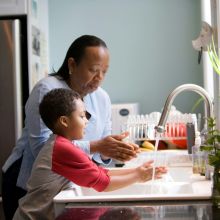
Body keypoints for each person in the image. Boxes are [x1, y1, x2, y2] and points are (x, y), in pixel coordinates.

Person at [1, 35, 139, 220]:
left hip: (65, 185)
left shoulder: (102, 98)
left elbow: (100, 152)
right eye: (93, 70)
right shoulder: (47, 89)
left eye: (104, 72)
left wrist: (113, 150)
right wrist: (97, 146)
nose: (99, 78)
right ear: (72, 65)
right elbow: (42, 148)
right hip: (26, 182)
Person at [13, 88, 167, 220]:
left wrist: (137, 171)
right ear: (64, 121)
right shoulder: (61, 149)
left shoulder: (63, 144)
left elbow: (101, 172)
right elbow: (104, 183)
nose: (86, 120)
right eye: (81, 116)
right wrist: (139, 176)